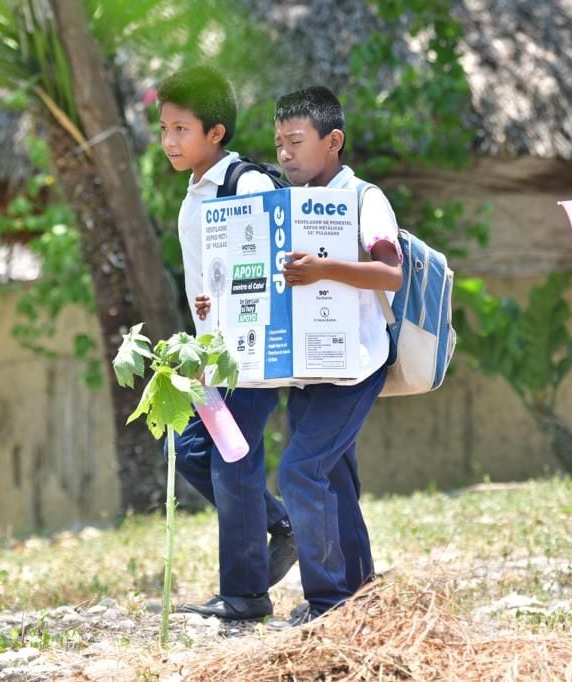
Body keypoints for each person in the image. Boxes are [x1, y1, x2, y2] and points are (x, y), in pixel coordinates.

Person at [156, 65, 296, 621]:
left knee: (231, 463)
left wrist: (227, 301)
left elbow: (275, 263)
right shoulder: (196, 190)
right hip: (214, 354)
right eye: (164, 129)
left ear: (215, 132)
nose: (169, 141)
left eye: (181, 130)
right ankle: (281, 524)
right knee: (189, 450)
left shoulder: (247, 184)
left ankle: (244, 594)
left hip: (251, 353)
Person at [274, 85, 403, 624]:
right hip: (307, 370)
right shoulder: (285, 205)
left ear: (333, 142)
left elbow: (391, 273)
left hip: (355, 366)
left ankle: (327, 603)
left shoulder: (364, 199)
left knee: (300, 473)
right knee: (335, 480)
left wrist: (325, 269)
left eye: (296, 141)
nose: (285, 154)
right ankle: (362, 595)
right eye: (279, 144)